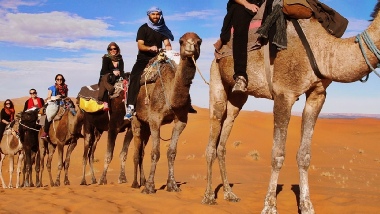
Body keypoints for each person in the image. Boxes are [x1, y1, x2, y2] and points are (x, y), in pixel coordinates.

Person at [124, 6, 197, 120]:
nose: (156, 16)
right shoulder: (143, 29)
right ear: (149, 15)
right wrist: (150, 48)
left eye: (158, 14)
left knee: (180, 72)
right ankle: (131, 106)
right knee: (134, 77)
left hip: (160, 56)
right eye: (153, 14)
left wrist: (168, 47)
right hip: (143, 58)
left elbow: (167, 42)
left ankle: (187, 102)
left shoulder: (162, 29)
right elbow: (140, 45)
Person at [214, 0, 264, 93]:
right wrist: (247, 4)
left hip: (262, 3)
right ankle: (240, 76)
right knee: (240, 26)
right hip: (242, 5)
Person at [98, 42, 124, 110]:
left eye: (114, 49)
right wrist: (113, 72)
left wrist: (122, 76)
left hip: (117, 77)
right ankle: (105, 102)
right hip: (106, 76)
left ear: (117, 49)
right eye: (110, 49)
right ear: (108, 50)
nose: (113, 50)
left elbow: (122, 70)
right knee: (106, 81)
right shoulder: (106, 58)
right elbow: (104, 70)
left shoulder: (120, 59)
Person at [41, 74, 68, 139]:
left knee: (73, 113)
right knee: (50, 115)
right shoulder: (52, 88)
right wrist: (55, 97)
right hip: (54, 103)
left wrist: (66, 99)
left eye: (61, 79)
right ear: (56, 80)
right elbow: (48, 98)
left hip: (63, 103)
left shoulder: (65, 88)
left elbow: (65, 96)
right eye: (58, 79)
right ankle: (45, 132)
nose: (59, 81)